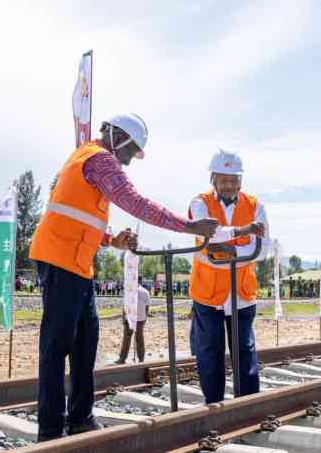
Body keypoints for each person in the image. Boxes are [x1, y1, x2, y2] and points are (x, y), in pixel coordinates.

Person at [28, 113, 218, 441]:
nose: (129, 162)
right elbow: (133, 201)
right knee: (57, 346)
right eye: (131, 152)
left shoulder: (88, 158)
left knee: (86, 342)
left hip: (76, 264)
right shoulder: (100, 159)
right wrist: (188, 227)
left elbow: (80, 216)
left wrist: (111, 240)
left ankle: (80, 418)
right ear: (119, 138)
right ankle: (49, 430)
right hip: (59, 260)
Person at [188, 149, 269, 404]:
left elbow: (263, 248)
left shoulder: (255, 205)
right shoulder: (199, 203)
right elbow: (208, 234)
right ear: (213, 179)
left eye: (234, 179)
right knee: (209, 352)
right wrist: (243, 239)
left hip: (242, 293)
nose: (229, 185)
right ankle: (214, 405)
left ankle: (247, 405)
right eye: (224, 179)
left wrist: (231, 249)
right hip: (207, 293)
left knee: (244, 351)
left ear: (240, 181)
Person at [115, 282, 150, 364]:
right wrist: (124, 317)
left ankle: (138, 358)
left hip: (138, 318)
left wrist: (145, 317)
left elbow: (147, 306)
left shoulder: (144, 292)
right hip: (132, 318)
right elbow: (125, 305)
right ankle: (125, 358)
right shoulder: (130, 291)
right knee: (130, 338)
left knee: (136, 338)